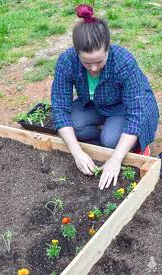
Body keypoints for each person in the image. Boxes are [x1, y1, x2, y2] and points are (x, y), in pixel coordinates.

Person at [51, 4, 159, 190]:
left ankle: (128, 143)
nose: (94, 68)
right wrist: (77, 153)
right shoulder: (67, 61)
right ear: (77, 53)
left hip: (125, 106)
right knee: (74, 125)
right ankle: (111, 135)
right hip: (99, 103)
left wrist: (116, 159)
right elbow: (60, 108)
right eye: (87, 63)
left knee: (110, 140)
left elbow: (136, 112)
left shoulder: (123, 62)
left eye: (99, 61)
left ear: (108, 48)